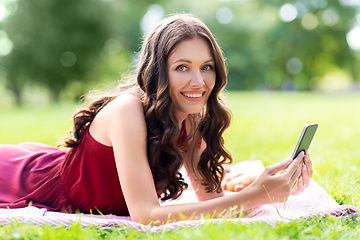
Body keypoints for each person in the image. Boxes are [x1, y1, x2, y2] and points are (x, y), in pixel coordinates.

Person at [0, 13, 313, 225]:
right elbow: (146, 214)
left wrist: (271, 186)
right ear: (158, 70)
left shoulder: (189, 119)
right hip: (22, 181)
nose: (199, 81)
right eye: (182, 67)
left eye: (206, 67)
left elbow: (212, 203)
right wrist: (256, 195)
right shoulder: (127, 110)